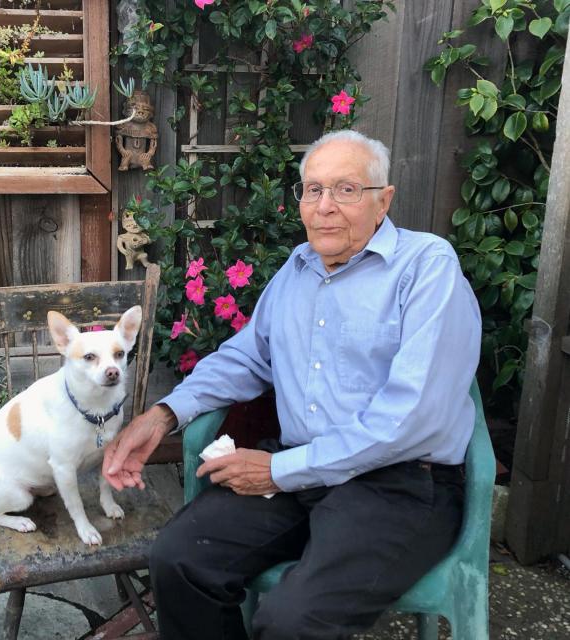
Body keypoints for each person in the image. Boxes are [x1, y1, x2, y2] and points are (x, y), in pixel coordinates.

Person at [102, 129, 482, 639]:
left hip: (399, 485)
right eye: (312, 189)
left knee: (292, 620)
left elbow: (412, 418)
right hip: (300, 472)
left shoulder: (425, 268)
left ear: (383, 201)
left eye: (346, 190)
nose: (324, 206)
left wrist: (281, 470)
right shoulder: (296, 270)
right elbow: (246, 357)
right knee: (179, 560)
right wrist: (164, 414)